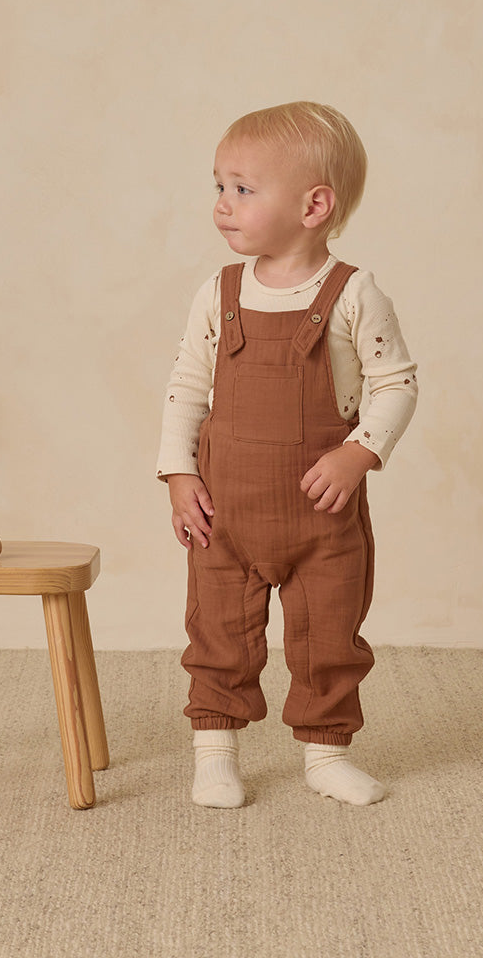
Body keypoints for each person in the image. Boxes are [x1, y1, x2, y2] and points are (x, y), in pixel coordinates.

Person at [156, 101, 417, 808]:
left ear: (314, 205)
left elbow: (395, 383)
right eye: (219, 185)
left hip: (319, 520)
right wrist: (180, 474)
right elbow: (186, 387)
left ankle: (325, 757)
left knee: (328, 636)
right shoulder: (220, 292)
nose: (222, 205)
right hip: (225, 515)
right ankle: (215, 756)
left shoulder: (353, 294)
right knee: (217, 634)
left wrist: (359, 454)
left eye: (243, 188)